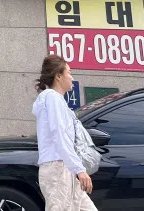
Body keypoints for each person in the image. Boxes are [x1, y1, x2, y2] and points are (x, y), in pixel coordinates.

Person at [32, 55, 98, 211]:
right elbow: (60, 136)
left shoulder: (56, 100)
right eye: (69, 72)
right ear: (58, 76)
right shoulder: (52, 98)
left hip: (64, 168)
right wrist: (80, 170)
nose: (71, 77)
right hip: (58, 169)